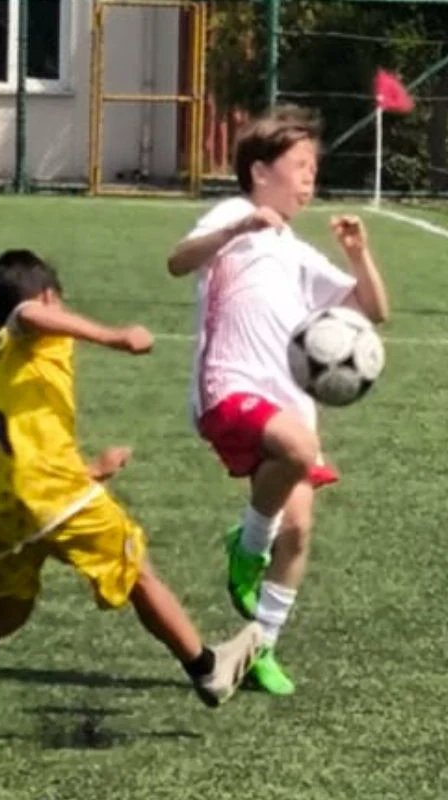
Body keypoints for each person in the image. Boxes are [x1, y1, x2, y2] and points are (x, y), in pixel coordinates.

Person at [0, 249, 262, 733]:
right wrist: (117, 337)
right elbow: (28, 313)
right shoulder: (32, 327)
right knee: (135, 566)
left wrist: (90, 471)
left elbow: (16, 437)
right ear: (50, 297)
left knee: (7, 612)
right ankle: (207, 669)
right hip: (48, 492)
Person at [167, 106, 389, 695]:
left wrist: (357, 253)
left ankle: (258, 646)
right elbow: (177, 260)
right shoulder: (235, 213)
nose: (310, 178)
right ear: (261, 172)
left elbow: (372, 311)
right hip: (229, 387)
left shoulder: (296, 250)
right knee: (297, 450)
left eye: (315, 167)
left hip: (289, 400)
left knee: (300, 531)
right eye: (301, 165)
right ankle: (246, 544)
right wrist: (237, 231)